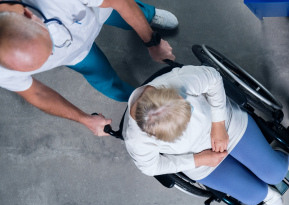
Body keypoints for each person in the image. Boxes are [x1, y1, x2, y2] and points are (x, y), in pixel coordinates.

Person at [123, 65, 289, 205]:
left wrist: (218, 125)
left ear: (177, 97)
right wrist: (198, 159)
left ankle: (284, 159)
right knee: (253, 196)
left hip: (227, 125)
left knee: (275, 173)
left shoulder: (178, 80)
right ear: (155, 134)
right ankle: (265, 192)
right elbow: (151, 167)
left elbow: (213, 77)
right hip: (200, 162)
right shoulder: (136, 140)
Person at [0, 0, 178, 136]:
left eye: (49, 48)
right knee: (106, 82)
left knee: (132, 13)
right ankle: (138, 99)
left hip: (99, 11)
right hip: (76, 55)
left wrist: (152, 42)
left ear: (28, 13)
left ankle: (149, 15)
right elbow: (36, 93)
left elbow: (120, 2)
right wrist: (84, 119)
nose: (52, 55)